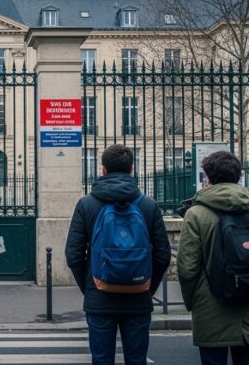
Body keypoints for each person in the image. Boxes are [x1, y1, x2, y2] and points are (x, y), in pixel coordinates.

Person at [65, 144, 171, 365]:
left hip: (100, 297)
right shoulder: (148, 205)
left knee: (102, 359)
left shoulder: (86, 204)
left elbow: (74, 255)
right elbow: (163, 255)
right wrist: (147, 287)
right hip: (138, 295)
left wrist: (91, 286)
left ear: (102, 169)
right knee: (136, 359)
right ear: (132, 169)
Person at [177, 151, 249, 365]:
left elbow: (187, 267)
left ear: (207, 178)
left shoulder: (196, 214)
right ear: (239, 176)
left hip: (210, 306)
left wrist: (194, 301)